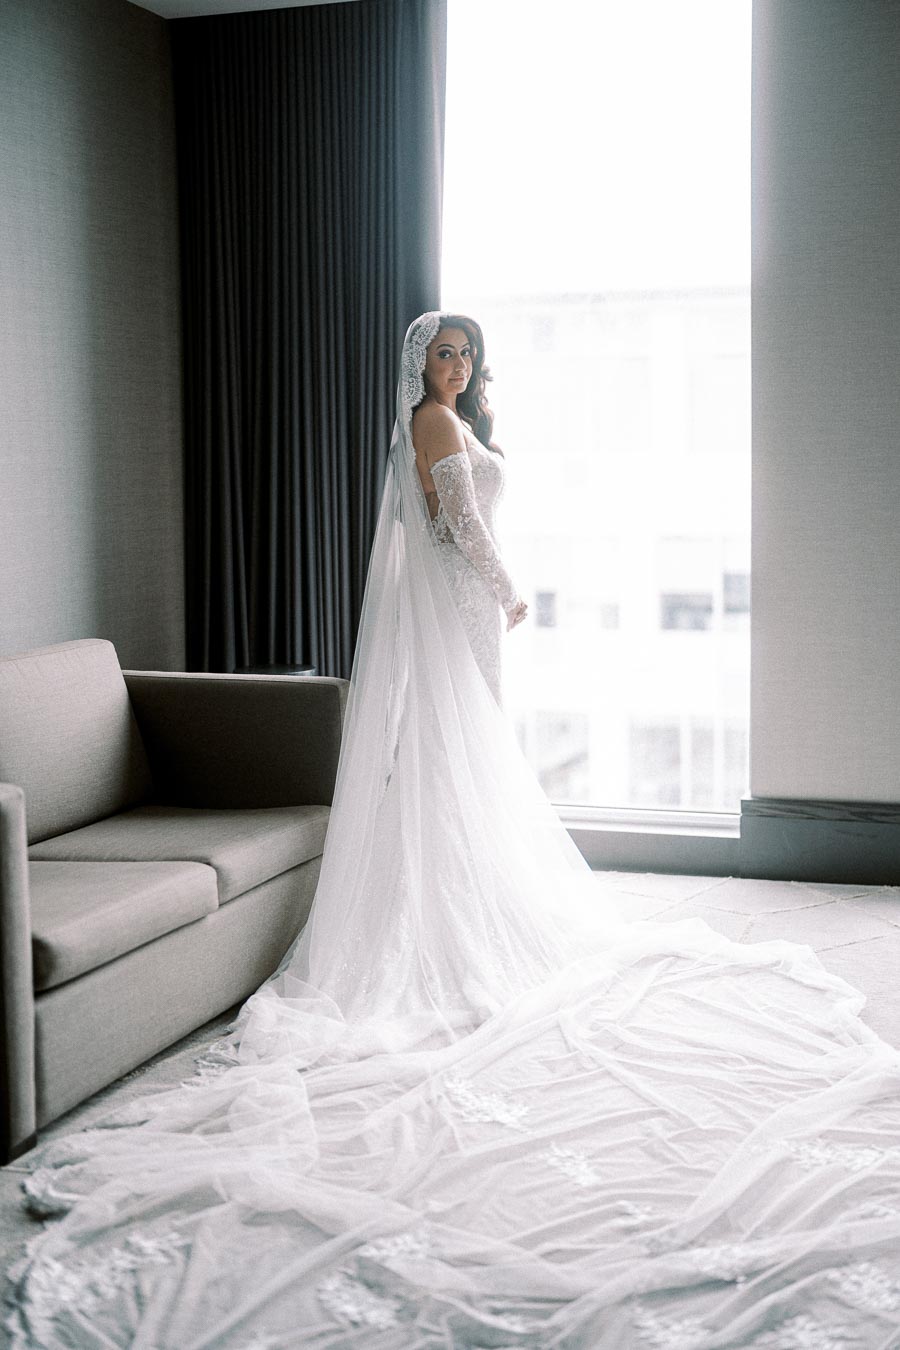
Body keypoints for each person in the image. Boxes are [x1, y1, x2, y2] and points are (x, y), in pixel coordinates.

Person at [7, 313, 900, 1350]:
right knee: (455, 756)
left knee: (469, 760)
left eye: (467, 355)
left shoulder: (448, 418)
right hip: (465, 603)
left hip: (463, 611)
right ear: (421, 365)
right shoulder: (432, 425)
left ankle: (471, 886)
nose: (457, 368)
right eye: (444, 354)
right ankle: (449, 907)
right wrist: (511, 589)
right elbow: (459, 527)